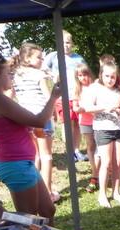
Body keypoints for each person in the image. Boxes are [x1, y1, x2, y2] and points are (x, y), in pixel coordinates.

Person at [0, 53, 61, 222]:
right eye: (8, 73)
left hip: (22, 162)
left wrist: (28, 129)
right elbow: (39, 120)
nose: (11, 77)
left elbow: (12, 125)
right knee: (28, 219)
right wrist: (54, 97)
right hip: (15, 164)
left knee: (48, 210)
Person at [12, 43, 57, 202]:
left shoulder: (16, 75)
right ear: (27, 58)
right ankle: (48, 193)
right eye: (39, 57)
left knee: (34, 155)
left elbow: (14, 96)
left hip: (25, 118)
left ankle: (35, 190)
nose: (42, 60)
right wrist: (54, 113)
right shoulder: (39, 75)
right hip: (41, 117)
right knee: (46, 155)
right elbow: (48, 97)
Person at [81, 61, 120, 208]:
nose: (110, 79)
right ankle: (102, 195)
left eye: (113, 77)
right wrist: (106, 107)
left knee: (117, 162)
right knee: (105, 163)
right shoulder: (95, 88)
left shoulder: (118, 90)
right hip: (102, 129)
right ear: (101, 75)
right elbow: (87, 108)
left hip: (118, 128)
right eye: (107, 76)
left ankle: (116, 192)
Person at [43, 30, 86, 161]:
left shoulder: (78, 58)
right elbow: (43, 69)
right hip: (62, 96)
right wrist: (52, 75)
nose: (65, 45)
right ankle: (70, 151)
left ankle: (76, 150)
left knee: (77, 124)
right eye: (62, 43)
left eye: (68, 42)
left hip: (77, 96)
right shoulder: (53, 56)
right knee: (66, 124)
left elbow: (85, 74)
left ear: (72, 44)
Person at [72, 64, 98, 194]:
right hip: (85, 122)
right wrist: (80, 109)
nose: (83, 78)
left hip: (98, 121)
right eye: (80, 75)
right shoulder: (77, 89)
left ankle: (104, 171)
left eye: (85, 75)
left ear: (89, 74)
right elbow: (75, 107)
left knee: (101, 147)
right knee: (90, 146)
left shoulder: (95, 87)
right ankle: (95, 174)